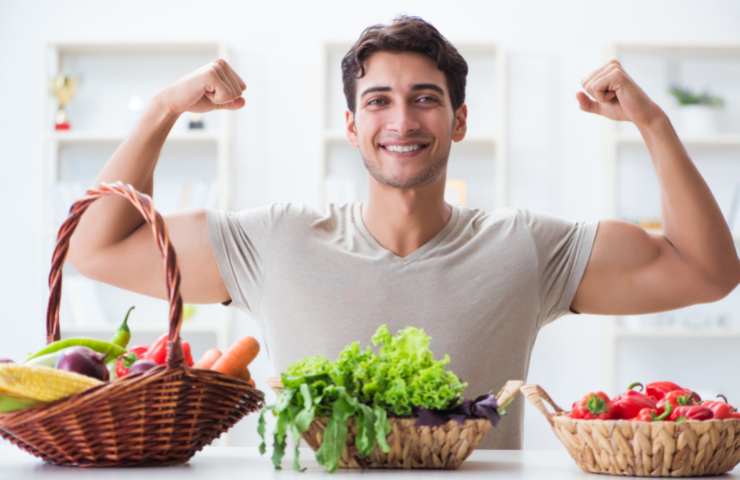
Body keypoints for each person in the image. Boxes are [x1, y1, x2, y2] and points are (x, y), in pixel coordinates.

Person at [67, 16, 739, 449]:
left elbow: (707, 271)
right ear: (352, 126)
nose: (403, 120)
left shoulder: (526, 247)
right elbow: (96, 248)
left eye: (426, 97)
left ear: (459, 120)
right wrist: (162, 109)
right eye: (378, 101)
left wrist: (654, 124)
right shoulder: (272, 242)